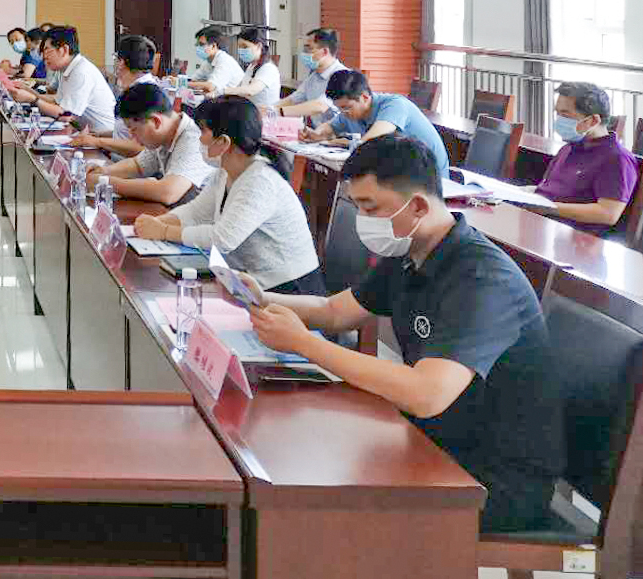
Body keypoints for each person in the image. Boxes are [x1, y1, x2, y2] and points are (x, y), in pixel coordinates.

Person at [240, 134, 563, 533]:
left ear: (419, 207)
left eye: (370, 207)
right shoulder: (411, 250)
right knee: (296, 451)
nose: (362, 220)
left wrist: (304, 344)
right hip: (436, 439)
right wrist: (263, 297)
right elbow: (335, 312)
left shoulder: (482, 280)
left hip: (493, 479)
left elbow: (426, 394)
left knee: (313, 506)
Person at [134, 96, 322, 293]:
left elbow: (222, 239)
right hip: (252, 281)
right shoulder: (225, 172)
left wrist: (163, 231)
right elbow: (196, 212)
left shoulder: (260, 180)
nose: (199, 139)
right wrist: (156, 223)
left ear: (223, 141)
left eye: (203, 132)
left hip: (290, 288)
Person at [301, 70, 450, 183]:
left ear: (365, 97)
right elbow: (330, 127)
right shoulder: (352, 112)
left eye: (346, 108)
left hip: (429, 179)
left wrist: (343, 142)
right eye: (339, 108)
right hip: (400, 173)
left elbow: (372, 141)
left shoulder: (394, 105)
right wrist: (318, 134)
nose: (343, 113)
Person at [532, 81, 640, 235]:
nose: (559, 120)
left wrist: (548, 207)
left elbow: (608, 213)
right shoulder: (568, 148)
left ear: (593, 121)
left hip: (577, 238)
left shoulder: (617, 158)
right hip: (544, 226)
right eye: (558, 113)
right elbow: (548, 189)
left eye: (565, 115)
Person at [85, 83, 214, 207]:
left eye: (134, 129)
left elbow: (168, 192)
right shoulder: (164, 135)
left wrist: (106, 182)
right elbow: (138, 165)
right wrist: (103, 171)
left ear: (155, 121)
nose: (132, 136)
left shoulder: (194, 139)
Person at [5, 26, 116, 134]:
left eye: (47, 50)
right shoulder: (67, 69)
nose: (44, 57)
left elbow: (66, 115)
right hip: (83, 132)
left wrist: (32, 99)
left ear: (64, 50)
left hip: (102, 139)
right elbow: (56, 102)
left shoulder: (81, 72)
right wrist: (28, 91)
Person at [71, 34, 163, 157]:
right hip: (118, 159)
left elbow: (140, 148)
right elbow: (124, 133)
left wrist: (97, 142)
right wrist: (97, 135)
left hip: (130, 165)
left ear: (122, 62)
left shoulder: (144, 94)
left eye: (116, 57)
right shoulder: (134, 87)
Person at [268, 27, 348, 125]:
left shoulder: (342, 76)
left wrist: (278, 112)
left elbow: (320, 106)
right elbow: (293, 100)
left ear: (324, 52)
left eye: (309, 48)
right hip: (319, 132)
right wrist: (269, 108)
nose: (305, 53)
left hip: (340, 134)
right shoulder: (313, 77)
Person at [221, 27, 280, 110]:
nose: (241, 50)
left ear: (259, 46)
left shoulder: (268, 68)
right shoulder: (251, 66)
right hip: (251, 111)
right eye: (239, 47)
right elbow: (240, 88)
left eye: (245, 47)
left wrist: (223, 91)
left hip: (265, 114)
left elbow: (251, 90)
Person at [186, 27, 245, 95]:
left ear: (213, 46)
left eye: (201, 44)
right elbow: (194, 79)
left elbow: (211, 87)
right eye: (197, 45)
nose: (198, 48)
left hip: (236, 99)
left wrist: (183, 83)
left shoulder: (224, 61)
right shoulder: (208, 62)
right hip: (221, 98)